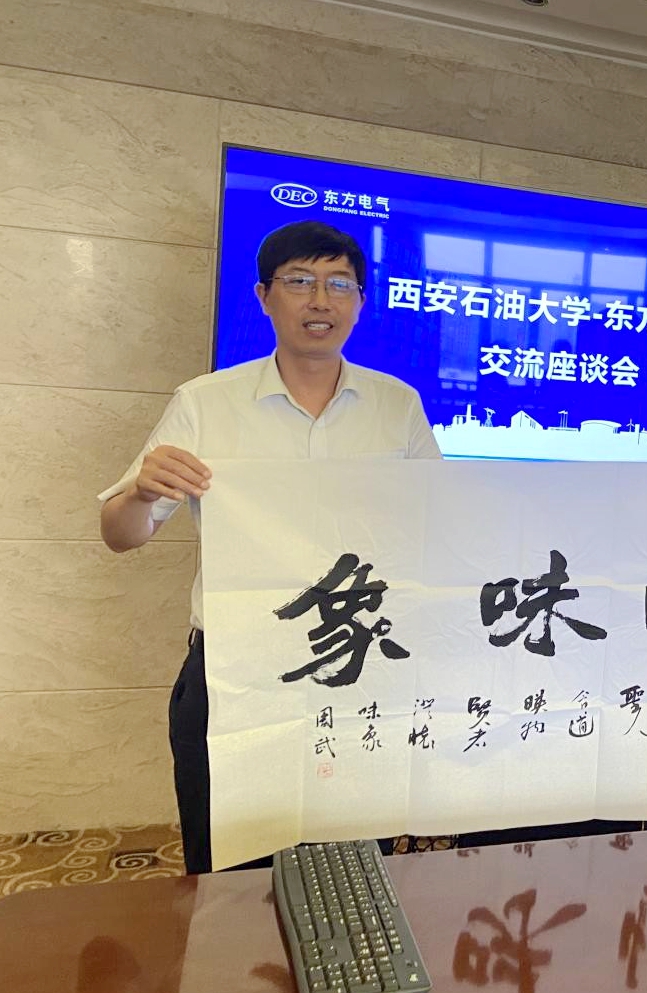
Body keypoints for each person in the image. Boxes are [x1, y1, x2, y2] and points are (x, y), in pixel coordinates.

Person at [98, 221, 441, 873]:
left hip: (356, 665)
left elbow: (438, 524)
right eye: (300, 281)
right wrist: (141, 493)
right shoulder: (206, 402)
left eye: (340, 284)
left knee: (351, 866)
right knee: (228, 869)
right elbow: (120, 533)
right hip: (235, 672)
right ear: (263, 295)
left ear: (360, 301)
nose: (321, 300)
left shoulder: (396, 406)